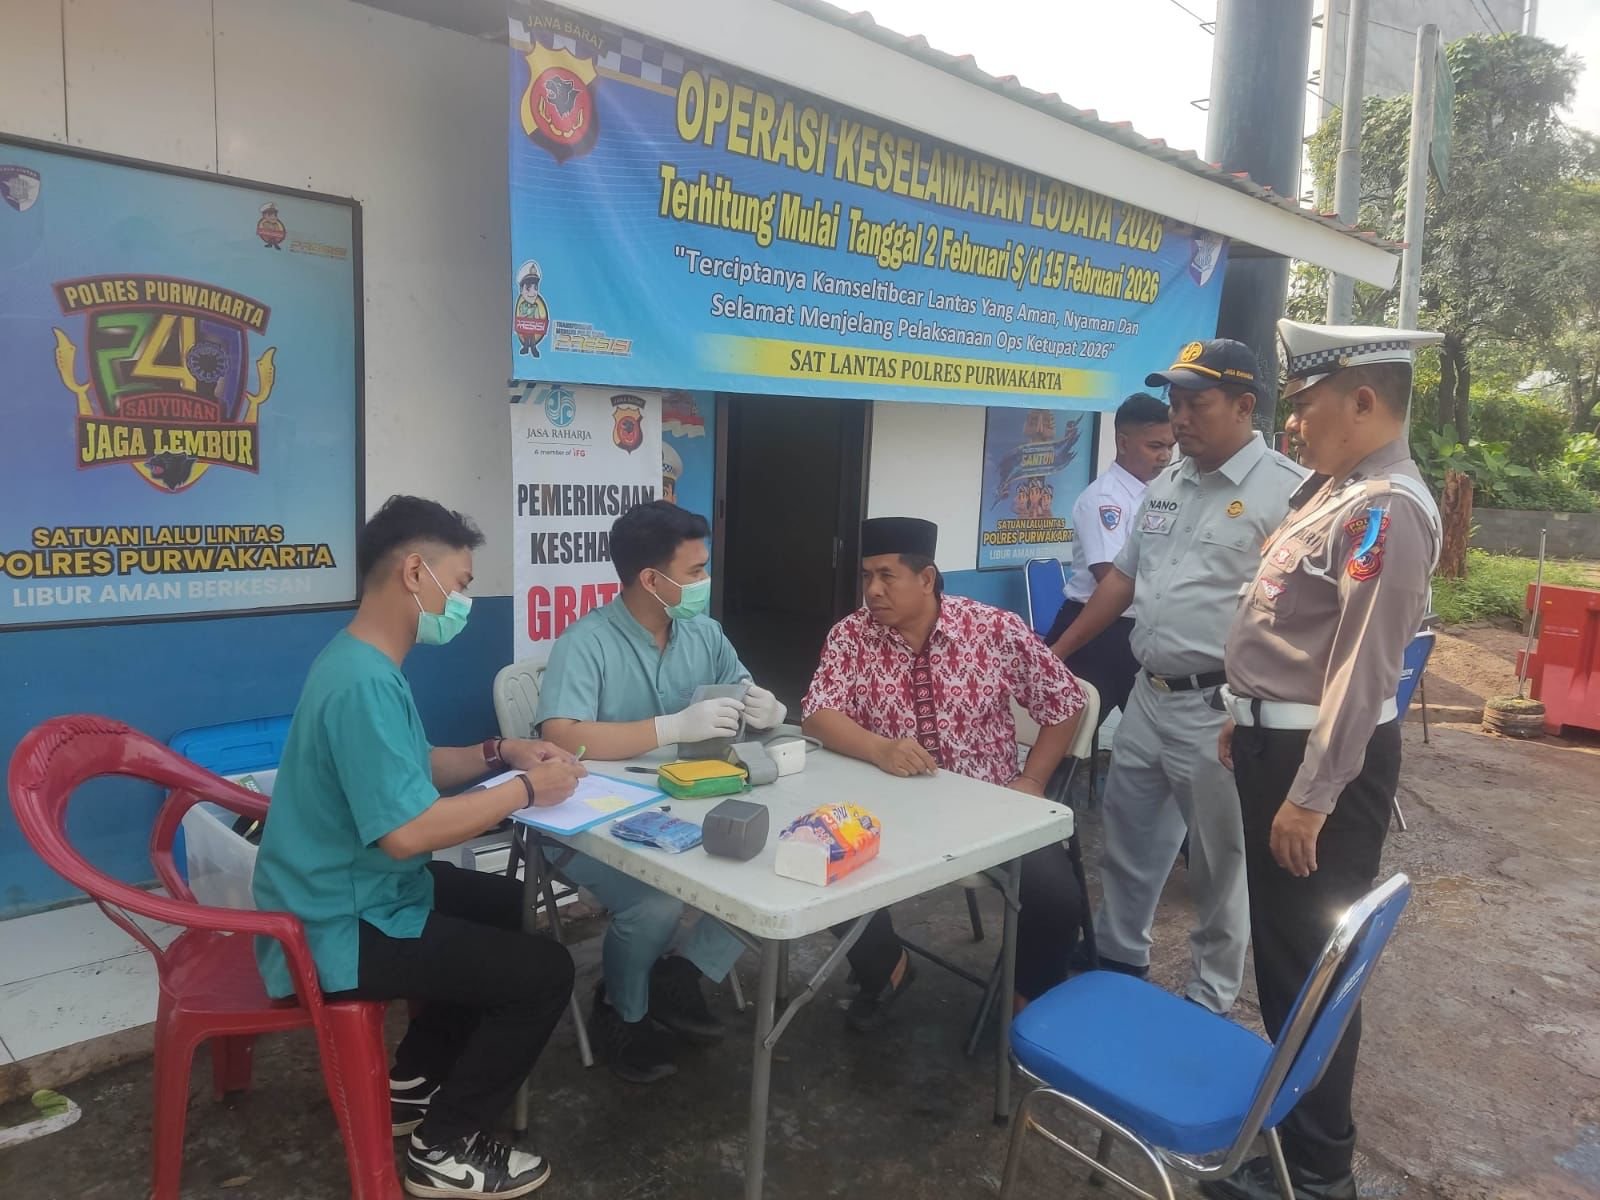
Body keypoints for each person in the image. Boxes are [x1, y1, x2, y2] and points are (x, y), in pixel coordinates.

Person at [252, 495, 583, 1199]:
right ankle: (447, 1146)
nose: (462, 600)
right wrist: (527, 791)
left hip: (353, 891)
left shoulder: (360, 663)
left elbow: (413, 767)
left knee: (502, 904)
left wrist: (502, 751)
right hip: (340, 924)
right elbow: (406, 835)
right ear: (413, 574)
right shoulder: (363, 683)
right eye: (460, 584)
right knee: (545, 971)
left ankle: (411, 1081)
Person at [1203, 322, 1444, 1200]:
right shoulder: (1338, 490)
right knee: (1284, 959)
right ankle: (1289, 1140)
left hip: (1321, 766)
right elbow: (1293, 632)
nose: (1293, 425)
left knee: (1314, 970)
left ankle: (1315, 1169)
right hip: (1281, 743)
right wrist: (1247, 714)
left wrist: (1310, 795)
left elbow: (1361, 668)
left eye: (1304, 407)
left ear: (1365, 401)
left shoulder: (1386, 509)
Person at [1050, 339, 1305, 1014]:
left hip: (1219, 709)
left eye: (1197, 404)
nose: (1180, 418)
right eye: (1175, 403)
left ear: (1245, 405)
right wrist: (1059, 652)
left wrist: (1253, 706)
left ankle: (1209, 995)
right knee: (1128, 839)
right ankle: (1119, 956)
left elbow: (1304, 623)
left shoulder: (1287, 495)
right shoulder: (1166, 484)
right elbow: (1123, 582)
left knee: (1220, 865)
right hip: (1148, 695)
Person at [801, 517, 1088, 1028]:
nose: (873, 591)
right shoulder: (852, 636)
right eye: (867, 576)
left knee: (1057, 899)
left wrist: (1032, 783)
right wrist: (879, 748)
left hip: (990, 806)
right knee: (815, 857)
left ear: (927, 578)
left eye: (887, 576)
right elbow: (818, 714)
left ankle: (1028, 1005)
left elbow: (1064, 703)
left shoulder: (993, 629)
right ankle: (886, 967)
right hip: (885, 801)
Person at [535, 501, 785, 1083]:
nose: (706, 582)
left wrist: (768, 711)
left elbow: (744, 692)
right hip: (593, 823)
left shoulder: (704, 632)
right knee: (657, 901)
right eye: (695, 572)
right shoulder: (587, 642)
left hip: (694, 804)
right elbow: (561, 736)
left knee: (771, 867)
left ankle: (682, 974)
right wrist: (669, 729)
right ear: (651, 579)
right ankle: (623, 1009)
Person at [1043, 392, 1176, 725]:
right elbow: (1111, 576)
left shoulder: (1159, 495)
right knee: (1062, 737)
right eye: (1154, 446)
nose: (1164, 457)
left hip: (1135, 629)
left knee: (1151, 734)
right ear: (1123, 442)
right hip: (1095, 629)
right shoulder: (1106, 500)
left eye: (1169, 446)